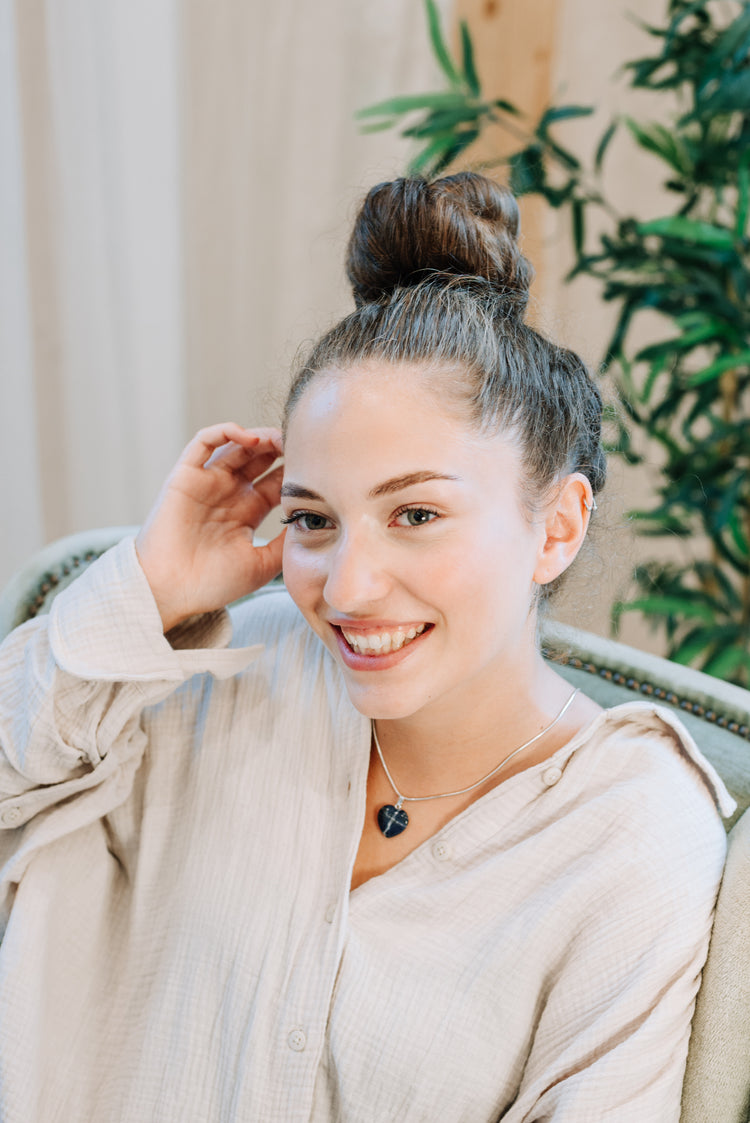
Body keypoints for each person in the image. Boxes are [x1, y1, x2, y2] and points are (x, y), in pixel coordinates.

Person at [0, 173, 734, 1123]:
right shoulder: (201, 671)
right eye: (313, 518)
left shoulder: (632, 833)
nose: (345, 588)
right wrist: (150, 588)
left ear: (557, 526)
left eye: (416, 513)